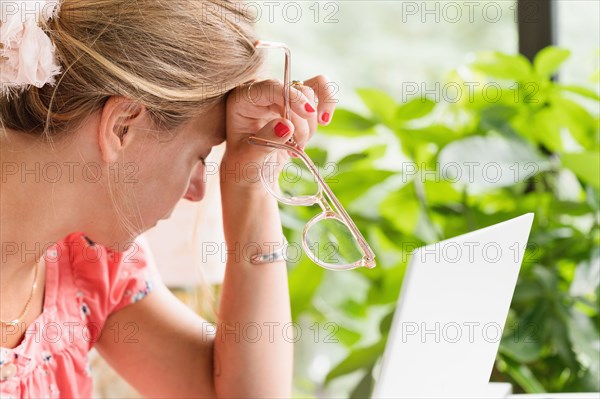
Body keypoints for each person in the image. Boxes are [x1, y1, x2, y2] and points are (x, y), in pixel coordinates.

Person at [0, 0, 336, 397]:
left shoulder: (89, 261)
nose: (196, 191)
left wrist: (249, 182)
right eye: (199, 157)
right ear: (123, 126)